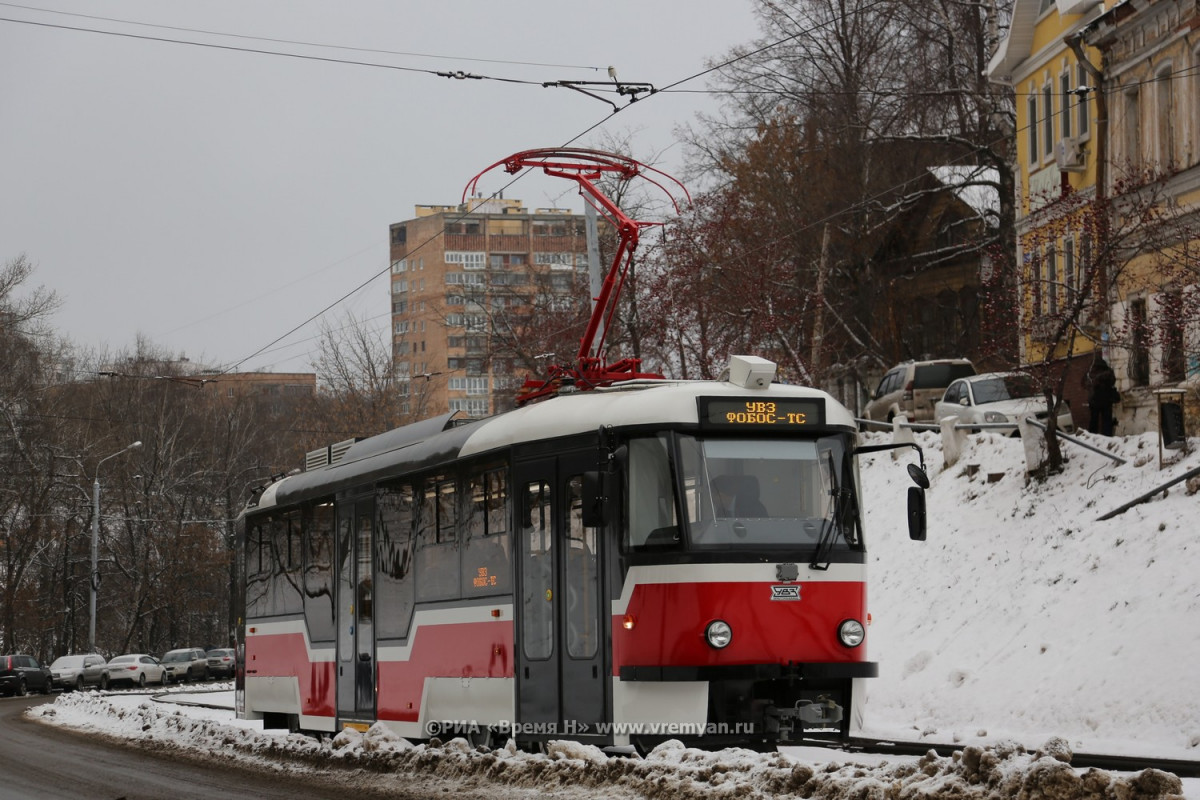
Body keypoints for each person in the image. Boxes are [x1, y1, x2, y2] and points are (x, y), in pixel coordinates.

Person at [1087, 356, 1119, 436]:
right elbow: (1113, 381)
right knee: (1106, 419)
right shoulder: (1108, 371)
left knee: (1094, 420)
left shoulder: (1092, 372)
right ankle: (1107, 435)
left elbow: (1087, 383)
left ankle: (1092, 435)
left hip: (1095, 399)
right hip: (1106, 399)